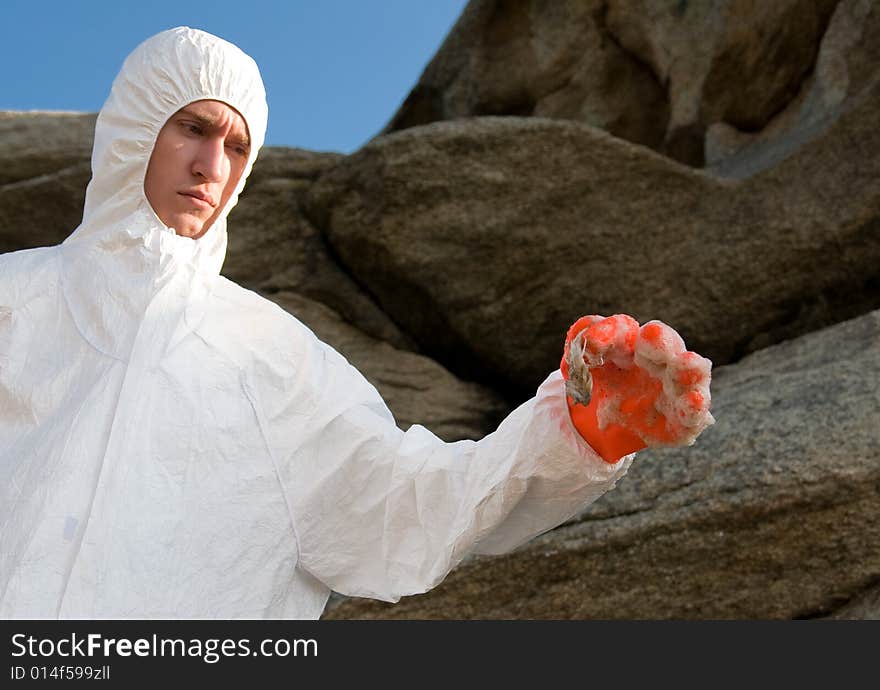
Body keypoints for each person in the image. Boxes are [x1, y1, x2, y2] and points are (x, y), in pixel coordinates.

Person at [0, 27, 713, 619]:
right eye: (193, 127)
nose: (212, 165)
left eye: (238, 147)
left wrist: (576, 431)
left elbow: (408, 504)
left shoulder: (271, 359)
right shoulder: (12, 302)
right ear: (134, 128)